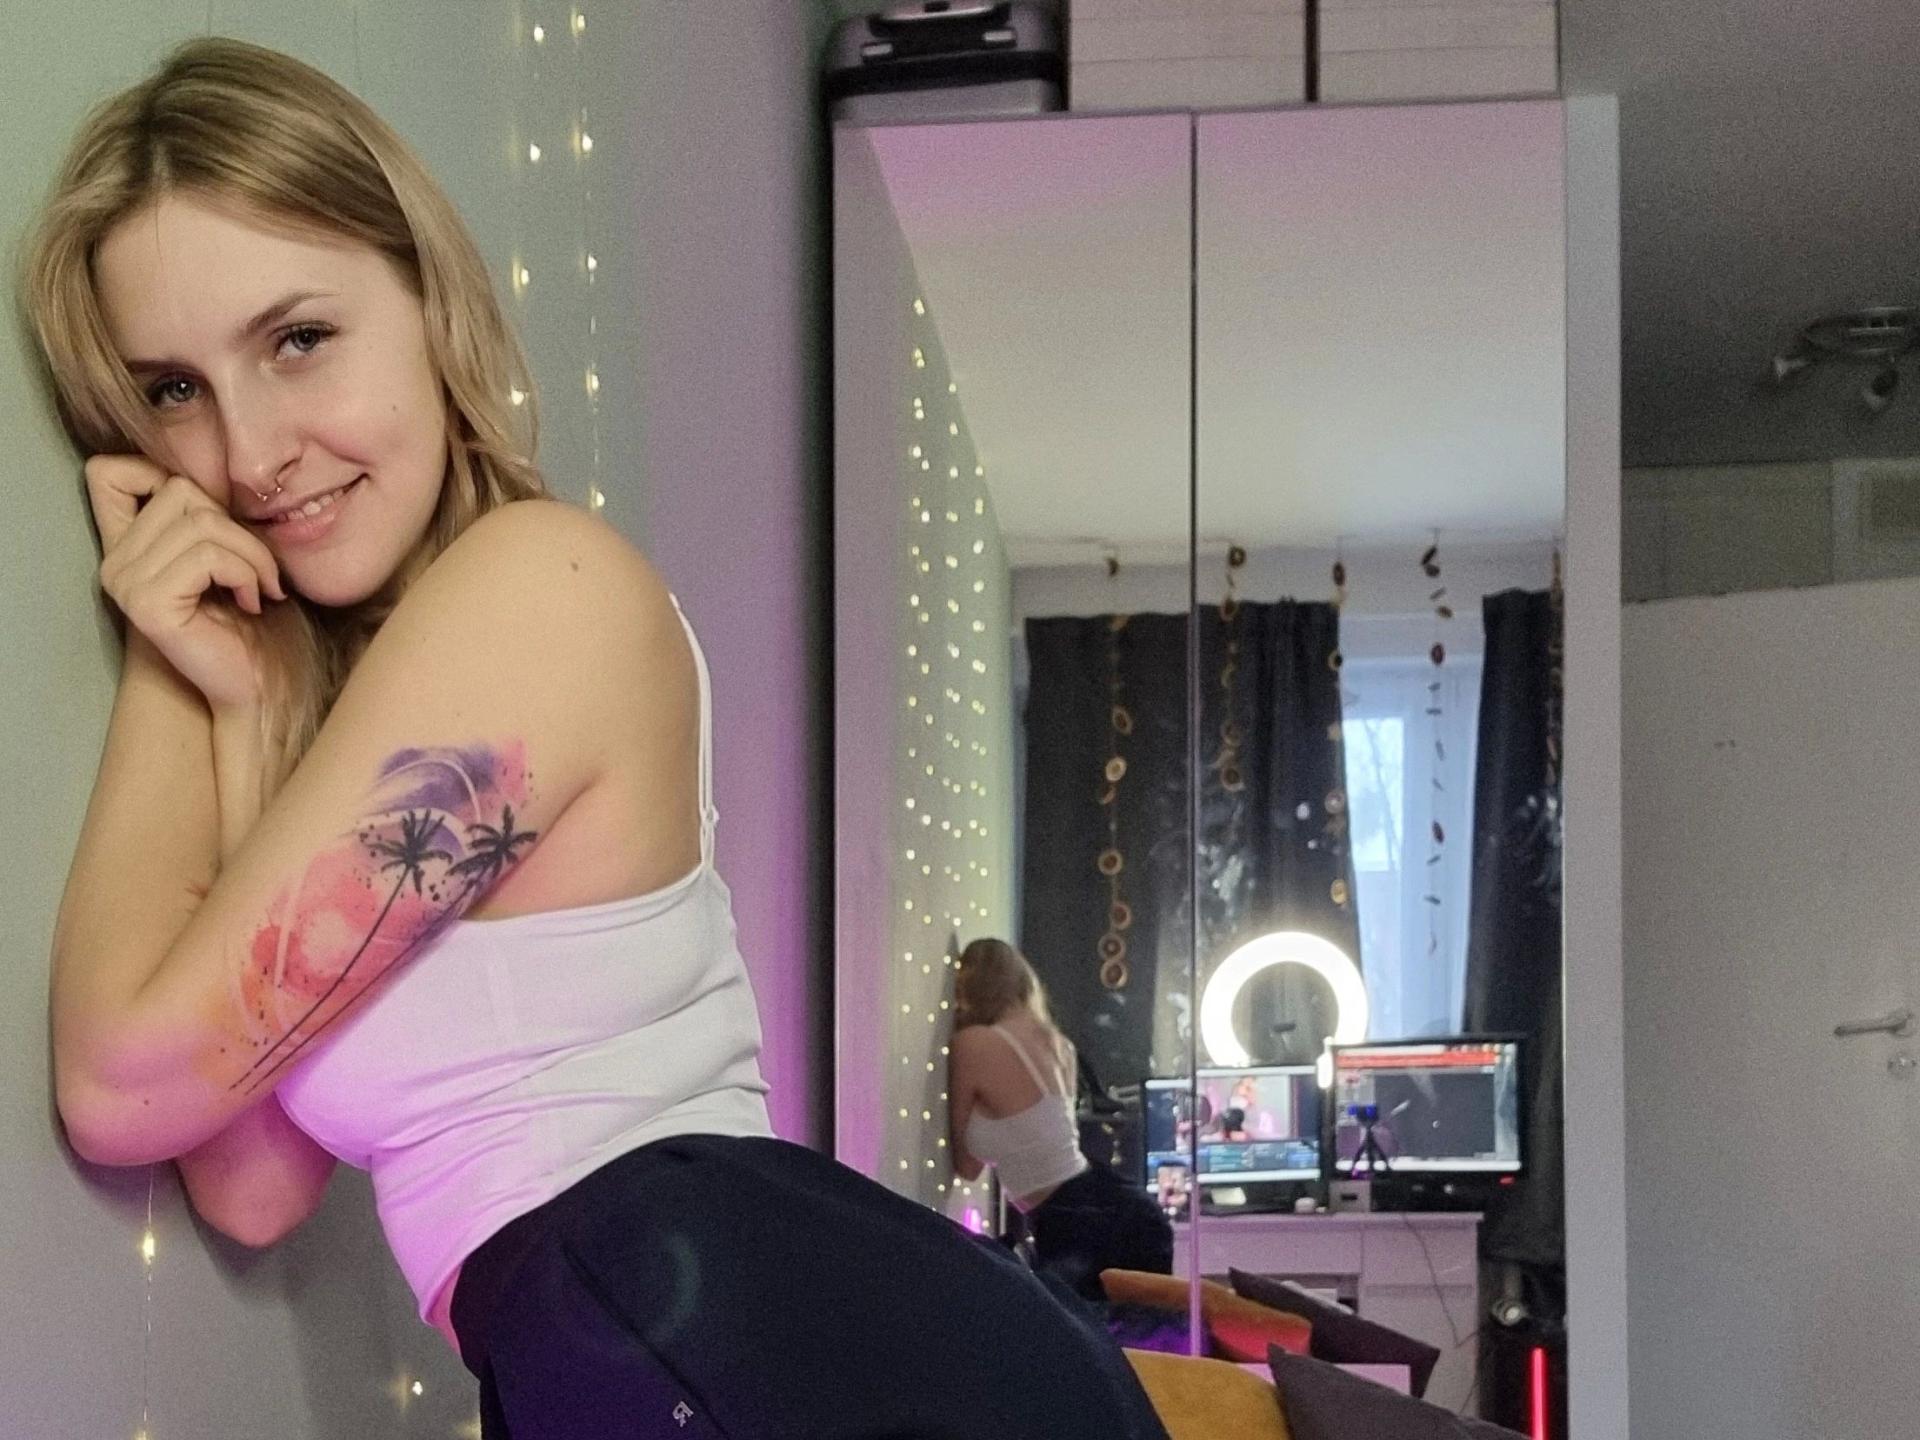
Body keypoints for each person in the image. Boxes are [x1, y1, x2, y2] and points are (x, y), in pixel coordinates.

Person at [24, 38, 1169, 1440]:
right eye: (172, 392)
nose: (250, 452)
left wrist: (150, 636)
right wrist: (235, 693)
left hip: (733, 1331)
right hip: (628, 1335)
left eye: (298, 339)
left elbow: (120, 1085)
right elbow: (252, 1184)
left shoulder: (539, 589)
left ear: (430, 302)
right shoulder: (377, 702)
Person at [948, 938, 1175, 1299]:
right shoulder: (1058, 1043)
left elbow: (967, 1165)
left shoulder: (973, 1043)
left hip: (1078, 1222)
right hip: (1107, 1205)